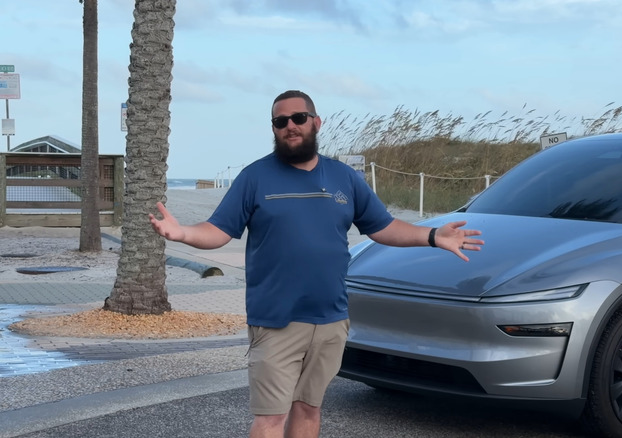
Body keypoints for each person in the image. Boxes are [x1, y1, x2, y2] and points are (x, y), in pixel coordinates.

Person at [149, 90, 484, 438]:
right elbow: (218, 231)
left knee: (309, 410)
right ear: (274, 128)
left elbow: (384, 227)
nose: (290, 126)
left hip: (330, 319)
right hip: (276, 320)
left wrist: (432, 236)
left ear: (315, 122)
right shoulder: (255, 177)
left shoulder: (343, 177)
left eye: (298, 118)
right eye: (281, 121)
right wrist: (182, 232)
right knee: (270, 418)